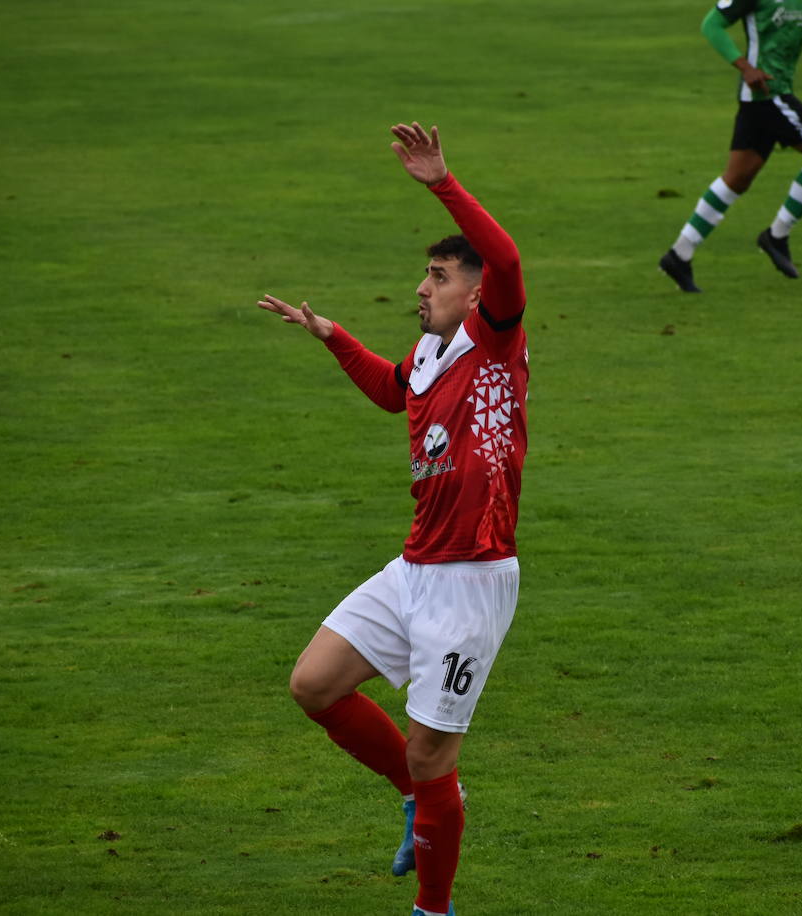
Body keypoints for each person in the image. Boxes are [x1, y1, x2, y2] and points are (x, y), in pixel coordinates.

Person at [256, 122, 527, 916]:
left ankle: (432, 910)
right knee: (314, 685)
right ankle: (419, 796)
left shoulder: (495, 337)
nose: (421, 287)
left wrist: (442, 180)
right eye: (425, 274)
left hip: (472, 580)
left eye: (438, 275)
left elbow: (506, 259)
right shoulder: (430, 357)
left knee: (433, 753)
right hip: (414, 569)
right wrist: (332, 337)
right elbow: (389, 389)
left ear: (473, 292)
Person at [659, 0, 802, 291]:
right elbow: (711, 25)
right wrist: (745, 67)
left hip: (767, 97)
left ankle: (679, 254)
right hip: (769, 94)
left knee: (737, 179)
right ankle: (776, 236)